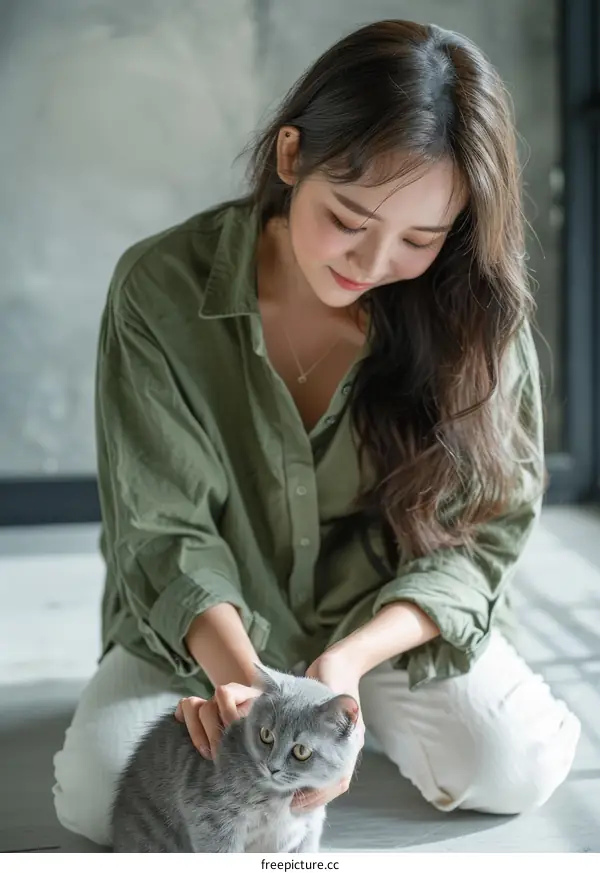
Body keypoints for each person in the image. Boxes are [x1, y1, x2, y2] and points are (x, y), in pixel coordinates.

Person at [53, 19, 580, 848]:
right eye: (349, 217)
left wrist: (341, 672)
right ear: (291, 157)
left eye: (418, 237)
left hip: (383, 625)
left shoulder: (469, 310)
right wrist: (242, 687)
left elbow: (482, 534)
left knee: (509, 767)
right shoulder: (160, 289)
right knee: (95, 795)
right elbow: (165, 531)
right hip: (213, 630)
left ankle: (397, 714)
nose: (371, 262)